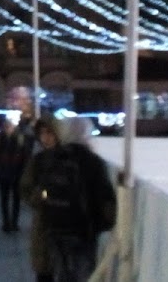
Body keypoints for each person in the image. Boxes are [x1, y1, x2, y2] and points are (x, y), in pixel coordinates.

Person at [22, 116, 115, 282]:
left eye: (50, 133)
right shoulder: (91, 161)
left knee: (55, 270)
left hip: (53, 225)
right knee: (73, 273)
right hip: (79, 229)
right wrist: (102, 225)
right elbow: (104, 197)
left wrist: (43, 199)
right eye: (42, 134)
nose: (46, 138)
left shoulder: (53, 159)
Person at [0, 116, 32, 232]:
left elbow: (25, 156)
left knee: (16, 199)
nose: (8, 129)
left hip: (16, 173)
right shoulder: (0, 139)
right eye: (6, 127)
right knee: (4, 199)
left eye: (9, 126)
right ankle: (6, 223)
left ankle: (14, 222)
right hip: (4, 173)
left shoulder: (20, 139)